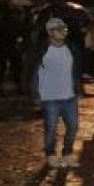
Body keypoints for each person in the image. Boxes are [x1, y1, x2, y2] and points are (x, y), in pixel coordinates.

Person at [31, 17, 82, 168]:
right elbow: (33, 73)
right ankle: (50, 154)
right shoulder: (41, 50)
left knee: (73, 127)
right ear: (50, 32)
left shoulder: (71, 48)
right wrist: (35, 94)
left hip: (69, 97)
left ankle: (67, 154)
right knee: (51, 128)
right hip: (49, 97)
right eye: (59, 29)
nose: (63, 31)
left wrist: (77, 87)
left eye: (64, 28)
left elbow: (76, 70)